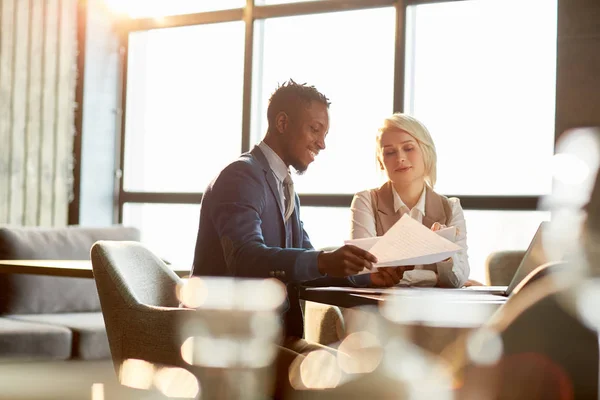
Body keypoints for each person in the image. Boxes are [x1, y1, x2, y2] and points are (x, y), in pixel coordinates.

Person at [190, 80, 403, 396]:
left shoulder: (285, 186)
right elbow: (245, 258)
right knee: (352, 385)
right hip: (234, 344)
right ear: (281, 122)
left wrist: (366, 276)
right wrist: (321, 260)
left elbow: (305, 262)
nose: (322, 144)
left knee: (368, 374)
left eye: (325, 134)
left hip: (272, 338)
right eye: (315, 130)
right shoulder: (241, 175)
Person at [350, 113, 470, 288]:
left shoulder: (451, 208)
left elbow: (456, 280)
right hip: (379, 310)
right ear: (381, 162)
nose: (400, 158)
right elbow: (365, 272)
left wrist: (444, 256)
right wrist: (433, 277)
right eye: (390, 152)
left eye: (408, 148)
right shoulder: (366, 201)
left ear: (426, 151)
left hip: (435, 311)